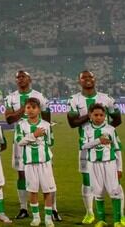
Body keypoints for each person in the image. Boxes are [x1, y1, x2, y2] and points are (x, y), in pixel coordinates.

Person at [67, 70, 122, 225]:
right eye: (83, 77)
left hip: (106, 147)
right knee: (87, 180)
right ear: (79, 81)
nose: (87, 79)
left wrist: (105, 131)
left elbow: (117, 119)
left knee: (115, 182)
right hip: (86, 146)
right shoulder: (74, 99)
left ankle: (120, 216)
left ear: (95, 79)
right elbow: (72, 123)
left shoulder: (106, 98)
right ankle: (90, 213)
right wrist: (91, 114)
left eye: (90, 76)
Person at [4, 70, 51, 220]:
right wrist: (23, 107)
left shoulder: (39, 96)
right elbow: (9, 120)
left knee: (45, 173)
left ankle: (51, 209)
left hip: (40, 142)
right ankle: (23, 208)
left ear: (30, 79)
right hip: (21, 142)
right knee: (21, 174)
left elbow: (47, 120)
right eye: (18, 77)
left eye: (23, 76)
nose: (20, 79)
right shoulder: (11, 98)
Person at [15, 98, 56, 227]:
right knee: (32, 191)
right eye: (28, 107)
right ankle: (36, 218)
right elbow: (19, 142)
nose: (31, 110)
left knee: (47, 190)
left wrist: (31, 139)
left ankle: (48, 218)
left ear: (39, 110)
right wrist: (34, 135)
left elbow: (51, 142)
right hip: (29, 163)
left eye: (34, 107)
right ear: (25, 110)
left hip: (44, 162)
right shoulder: (21, 125)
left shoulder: (46, 125)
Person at [82, 104, 123, 226]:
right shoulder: (87, 130)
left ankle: (117, 221)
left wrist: (119, 168)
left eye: (101, 115)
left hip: (109, 163)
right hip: (94, 164)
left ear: (105, 116)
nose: (98, 117)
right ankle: (101, 220)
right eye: (96, 115)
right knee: (98, 192)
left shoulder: (111, 129)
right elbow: (84, 146)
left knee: (114, 191)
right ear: (90, 115)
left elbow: (117, 149)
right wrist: (98, 141)